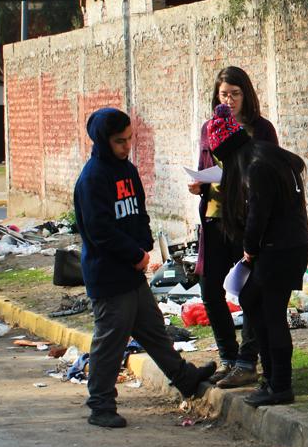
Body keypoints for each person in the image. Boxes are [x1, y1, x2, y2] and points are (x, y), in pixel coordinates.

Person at [75, 107, 215, 428]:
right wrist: (133, 254)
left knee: (154, 331)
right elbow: (99, 231)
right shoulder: (93, 178)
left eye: (129, 140)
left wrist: (146, 244)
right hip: (109, 276)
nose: (126, 146)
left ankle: (185, 379)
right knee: (110, 342)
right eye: (119, 141)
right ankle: (100, 405)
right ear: (102, 140)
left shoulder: (128, 170)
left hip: (132, 273)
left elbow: (138, 212)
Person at [209, 103, 308, 406]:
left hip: (278, 250)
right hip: (288, 246)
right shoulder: (266, 155)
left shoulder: (255, 167)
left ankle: (279, 384)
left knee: (271, 314)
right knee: (253, 302)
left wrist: (249, 251)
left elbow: (258, 215)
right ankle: (271, 380)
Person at [188, 66, 278, 389]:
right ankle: (228, 356)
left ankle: (246, 361)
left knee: (250, 292)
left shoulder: (261, 129)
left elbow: (270, 172)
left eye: (235, 94)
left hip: (247, 220)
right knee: (210, 290)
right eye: (224, 94)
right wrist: (199, 184)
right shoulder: (208, 128)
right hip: (213, 217)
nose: (229, 100)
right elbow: (205, 167)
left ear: (247, 95)